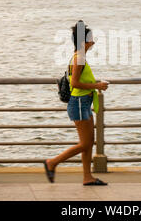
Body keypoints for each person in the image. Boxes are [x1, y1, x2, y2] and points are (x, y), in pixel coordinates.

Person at [44, 20, 109, 186]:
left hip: (84, 102)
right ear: (83, 41)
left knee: (88, 143)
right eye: (91, 39)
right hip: (79, 102)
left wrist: (95, 83)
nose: (93, 42)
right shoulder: (79, 58)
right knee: (85, 143)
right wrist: (97, 86)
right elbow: (75, 84)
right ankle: (52, 162)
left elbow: (79, 80)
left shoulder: (79, 56)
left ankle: (88, 177)